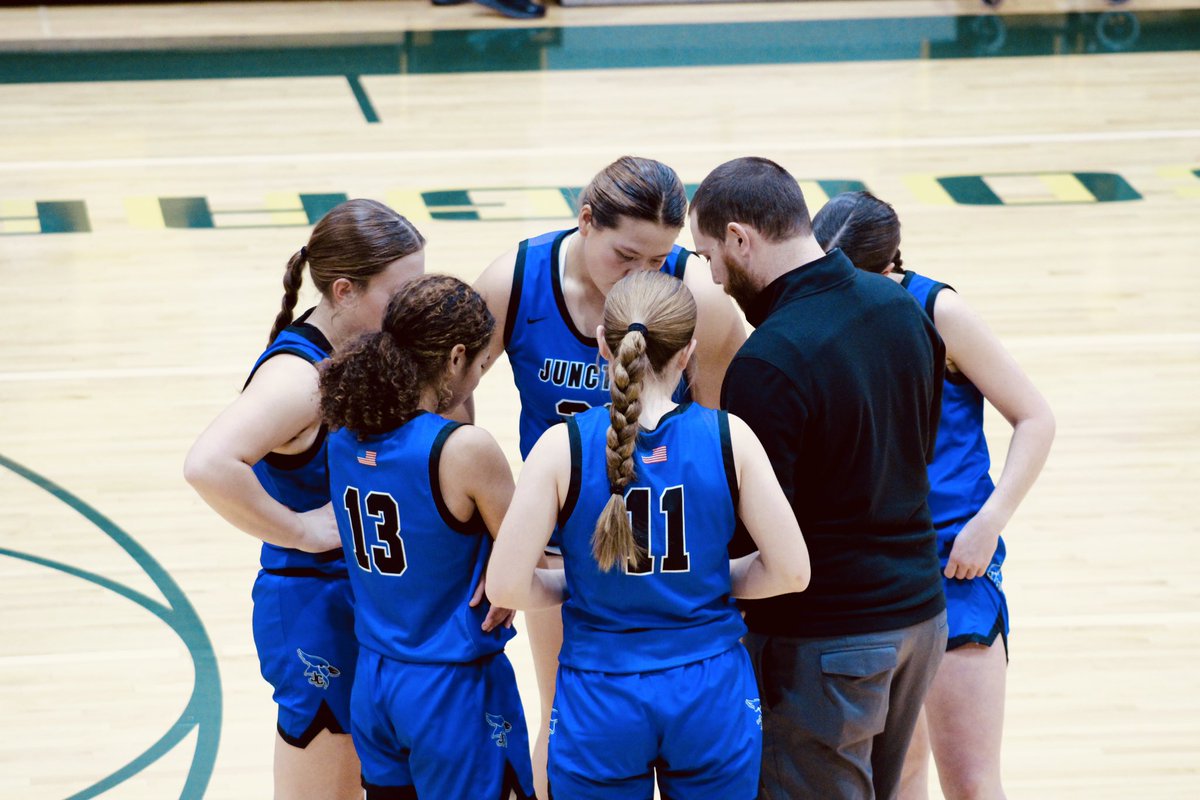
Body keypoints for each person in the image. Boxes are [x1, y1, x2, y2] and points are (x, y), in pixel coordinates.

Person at [473, 154, 746, 796]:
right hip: (561, 543)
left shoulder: (700, 297)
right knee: (561, 718)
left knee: (686, 733)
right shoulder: (514, 281)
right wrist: (503, 535)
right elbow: (450, 403)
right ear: (587, 219)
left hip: (672, 549)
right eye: (626, 255)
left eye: (657, 259)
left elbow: (721, 432)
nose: (641, 273)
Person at [486, 270, 810, 798]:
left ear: (602, 344)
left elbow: (505, 586)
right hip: (709, 690)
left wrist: (577, 581)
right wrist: (710, 577)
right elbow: (792, 573)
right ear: (688, 352)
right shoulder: (730, 437)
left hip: (601, 695)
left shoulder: (560, 447)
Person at [688, 157, 949, 800]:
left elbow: (757, 535)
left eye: (709, 256)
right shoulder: (901, 306)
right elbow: (920, 451)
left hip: (827, 643)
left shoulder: (769, 360)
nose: (714, 278)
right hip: (920, 621)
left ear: (740, 238)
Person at [813, 191, 1055, 800]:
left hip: (953, 563)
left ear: (888, 267)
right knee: (897, 778)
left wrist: (989, 523)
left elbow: (1035, 418)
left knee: (971, 782)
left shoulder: (939, 311)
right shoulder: (820, 310)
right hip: (873, 569)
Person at [183, 199, 426, 800]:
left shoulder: (358, 352)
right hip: (314, 605)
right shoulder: (299, 379)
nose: (410, 307)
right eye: (399, 293)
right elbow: (208, 464)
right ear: (344, 290)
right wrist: (301, 529)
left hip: (362, 598)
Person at [320, 274, 536, 799]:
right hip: (453, 687)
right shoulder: (463, 450)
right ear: (456, 357)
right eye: (481, 365)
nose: (478, 378)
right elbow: (530, 563)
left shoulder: (342, 436)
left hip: (375, 679)